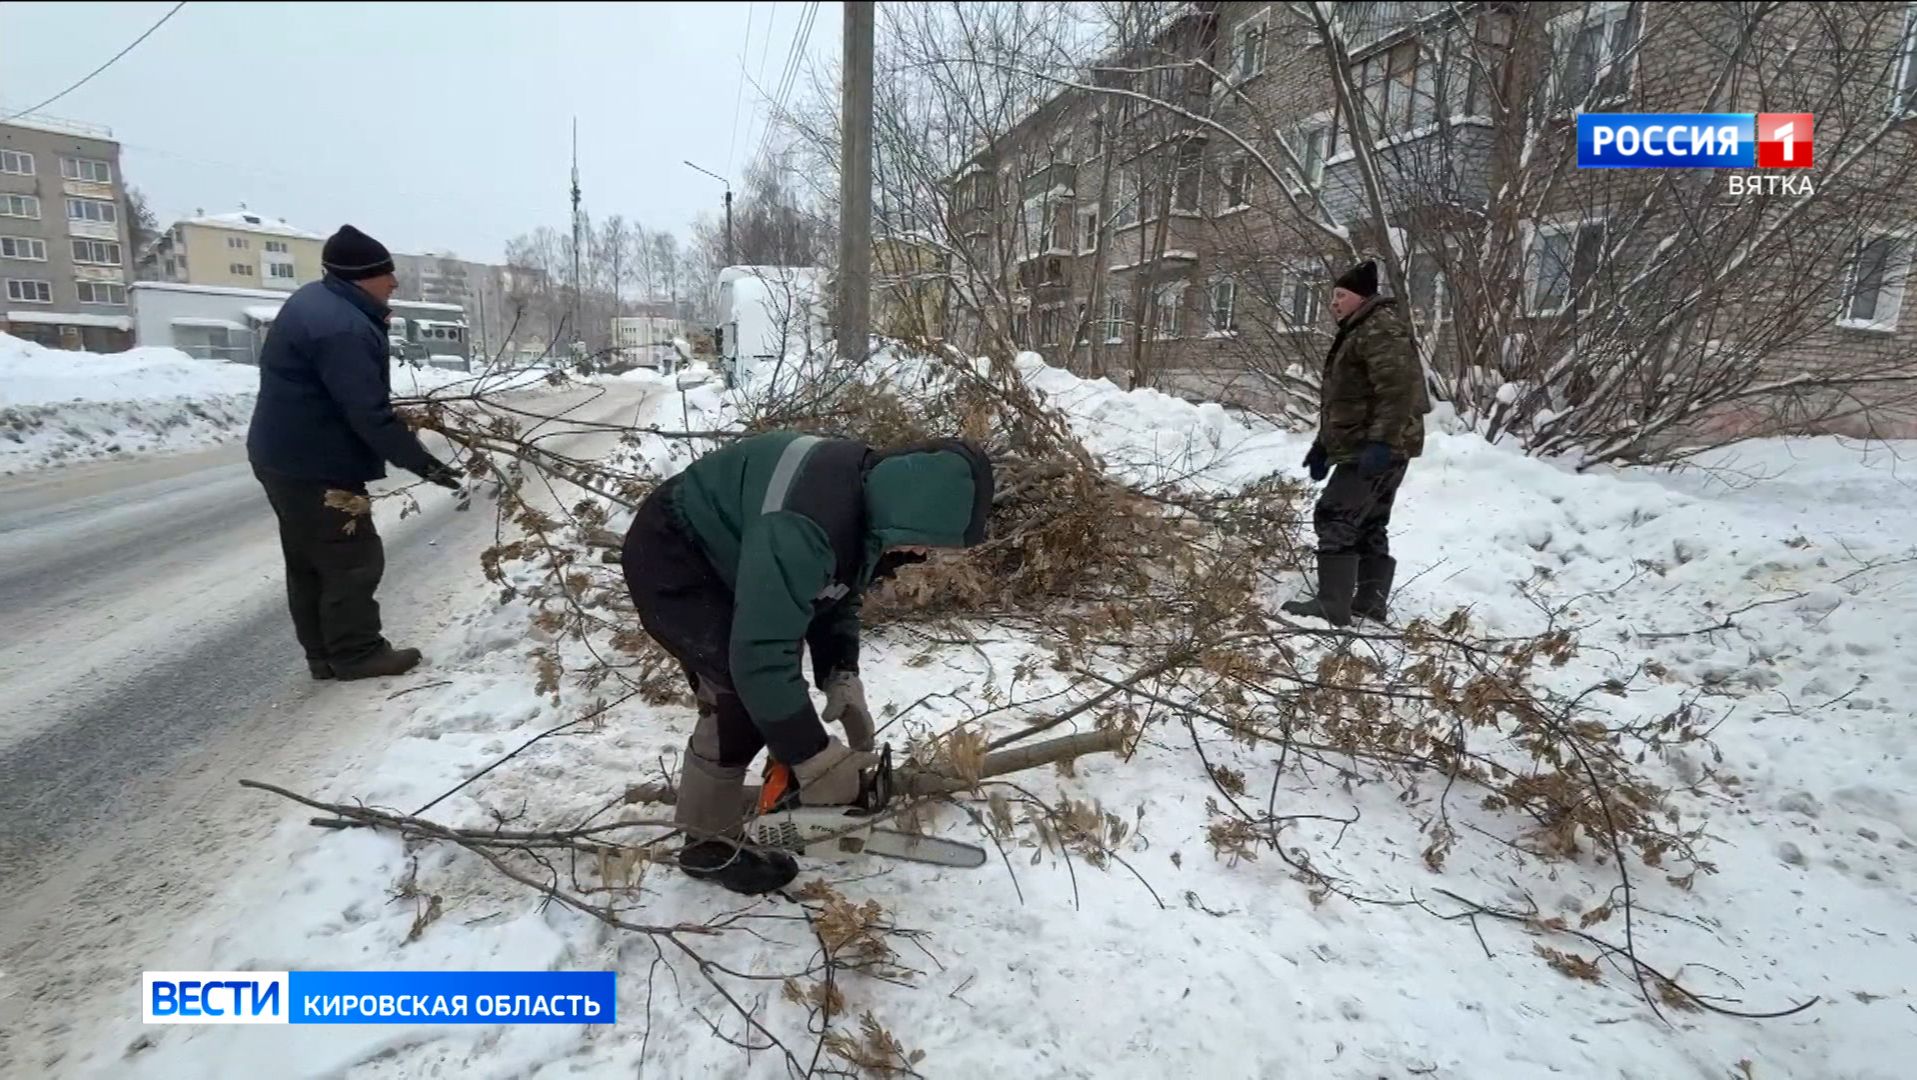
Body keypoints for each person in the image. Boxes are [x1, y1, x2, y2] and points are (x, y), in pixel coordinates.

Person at [622, 432, 994, 894]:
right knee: (736, 694)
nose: (921, 555)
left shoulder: (869, 500)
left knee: (769, 687)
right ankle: (707, 845)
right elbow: (757, 659)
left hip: (736, 554)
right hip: (675, 553)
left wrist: (841, 672)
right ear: (909, 512)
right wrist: (813, 757)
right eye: (923, 543)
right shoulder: (803, 527)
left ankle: (780, 790)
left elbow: (834, 595)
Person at [247, 225, 461, 681]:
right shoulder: (341, 327)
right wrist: (423, 463)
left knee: (309, 560)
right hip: (317, 463)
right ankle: (357, 653)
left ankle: (324, 655)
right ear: (363, 276)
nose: (394, 283)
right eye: (388, 274)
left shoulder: (318, 302)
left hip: (286, 456)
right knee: (352, 558)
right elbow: (367, 413)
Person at [1283, 258, 1430, 628]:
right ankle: (1369, 602)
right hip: (1371, 443)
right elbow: (1345, 399)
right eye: (1332, 295)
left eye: (1340, 295)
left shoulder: (1377, 329)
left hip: (1377, 446)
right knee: (1369, 521)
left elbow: (1397, 390)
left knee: (1335, 514)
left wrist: (1380, 443)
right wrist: (1323, 446)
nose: (1333, 303)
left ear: (1361, 297)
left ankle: (1333, 604)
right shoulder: (1361, 329)